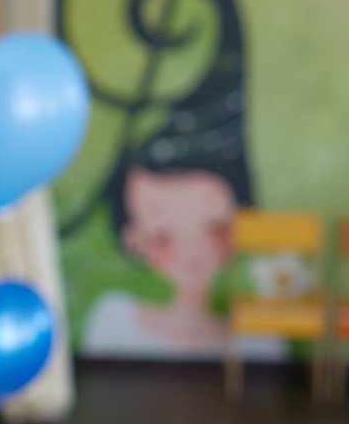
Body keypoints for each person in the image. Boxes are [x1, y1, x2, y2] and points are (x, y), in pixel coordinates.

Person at [84, 128, 285, 360]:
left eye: (213, 225)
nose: (191, 248)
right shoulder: (115, 318)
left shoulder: (260, 339)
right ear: (132, 237)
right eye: (162, 234)